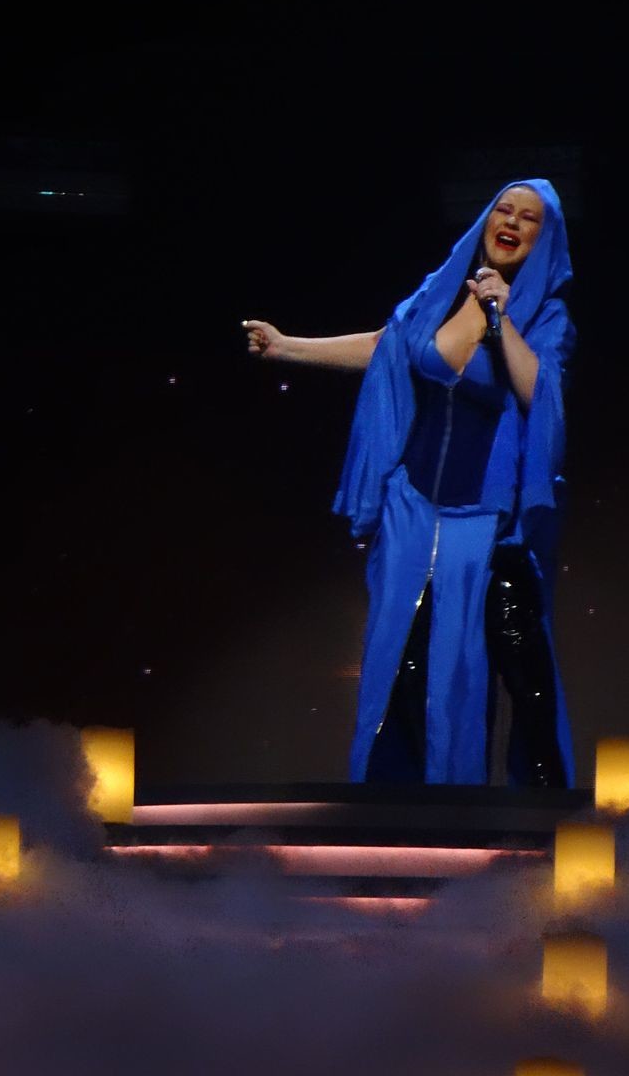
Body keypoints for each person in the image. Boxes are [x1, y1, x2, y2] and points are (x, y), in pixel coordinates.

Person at [243, 179, 576, 787]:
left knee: (501, 663)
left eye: (528, 218)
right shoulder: (442, 290)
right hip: (413, 508)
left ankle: (518, 808)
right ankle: (398, 800)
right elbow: (385, 347)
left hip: (489, 521)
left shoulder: (545, 316)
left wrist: (501, 318)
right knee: (405, 659)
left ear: (543, 237)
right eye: (503, 209)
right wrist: (286, 348)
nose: (511, 222)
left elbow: (541, 397)